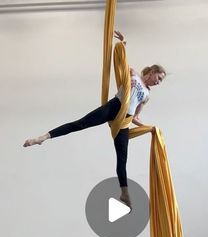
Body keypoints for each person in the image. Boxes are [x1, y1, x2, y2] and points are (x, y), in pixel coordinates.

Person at [23, 30, 166, 208]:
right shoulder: (134, 75)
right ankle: (42, 138)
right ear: (152, 72)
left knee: (122, 159)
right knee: (80, 123)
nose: (158, 83)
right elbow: (121, 62)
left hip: (124, 122)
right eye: (158, 78)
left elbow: (136, 116)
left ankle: (125, 194)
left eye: (160, 82)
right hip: (114, 106)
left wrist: (148, 127)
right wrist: (123, 43)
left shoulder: (147, 95)